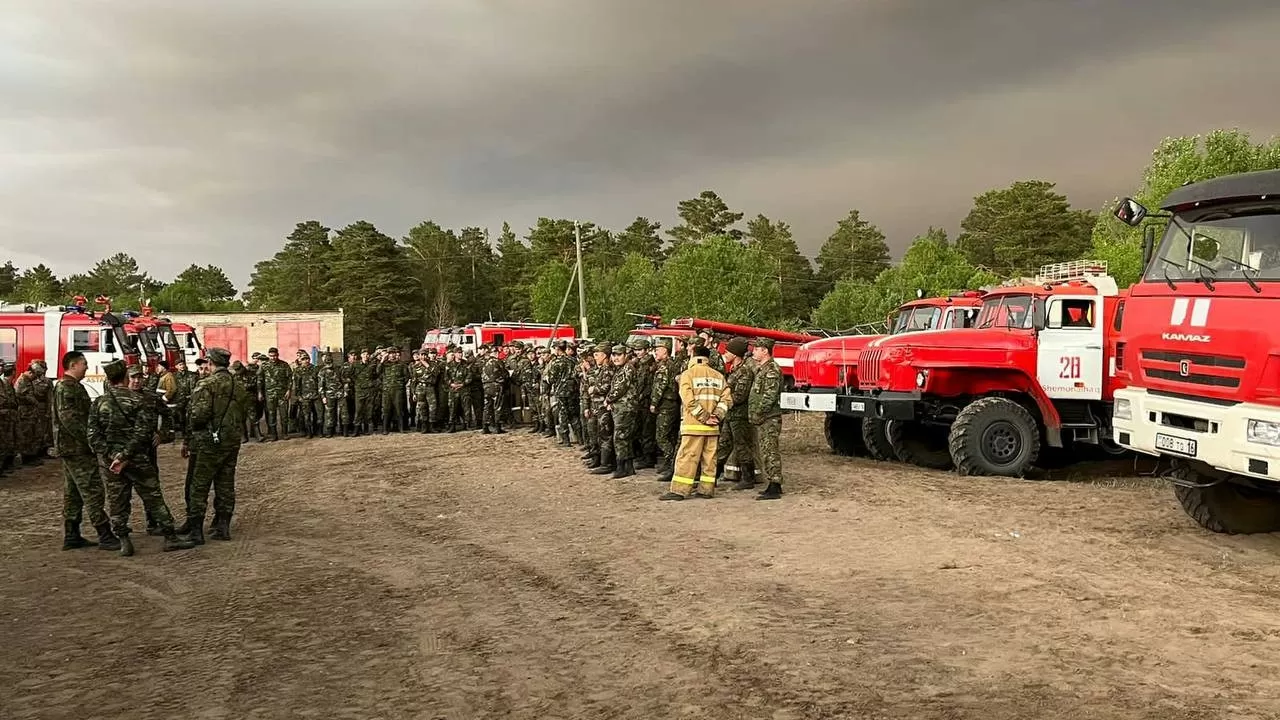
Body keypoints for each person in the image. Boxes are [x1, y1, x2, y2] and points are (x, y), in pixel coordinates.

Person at [88, 360, 195, 556]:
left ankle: (124, 540)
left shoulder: (99, 403)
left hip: (111, 464)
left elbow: (93, 436)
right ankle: (170, 537)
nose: (136, 380)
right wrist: (126, 455)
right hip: (137, 459)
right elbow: (142, 433)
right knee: (153, 497)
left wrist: (114, 456)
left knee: (117, 501)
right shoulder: (137, 402)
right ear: (125, 377)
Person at [52, 351, 119, 550]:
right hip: (77, 449)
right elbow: (70, 420)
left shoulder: (73, 387)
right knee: (92, 490)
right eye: (84, 364)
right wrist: (92, 439)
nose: (87, 368)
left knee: (73, 492)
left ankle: (72, 534)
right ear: (73, 365)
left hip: (73, 449)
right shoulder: (66, 388)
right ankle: (104, 533)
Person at [182, 347, 249, 544]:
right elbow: (244, 412)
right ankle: (223, 527)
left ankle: (196, 531)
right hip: (231, 441)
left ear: (210, 363)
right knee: (225, 484)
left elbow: (198, 416)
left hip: (208, 442)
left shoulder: (206, 384)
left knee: (199, 486)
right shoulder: (238, 385)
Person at [660, 344, 732, 501]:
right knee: (709, 459)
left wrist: (703, 416)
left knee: (687, 457)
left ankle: (679, 490)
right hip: (713, 427)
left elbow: (688, 400)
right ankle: (706, 490)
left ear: (693, 354)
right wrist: (717, 416)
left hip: (694, 425)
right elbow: (726, 399)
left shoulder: (687, 374)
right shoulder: (718, 376)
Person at [748, 337, 785, 500]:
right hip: (764, 417)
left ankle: (775, 485)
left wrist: (759, 412)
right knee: (765, 450)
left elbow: (769, 395)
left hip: (769, 417)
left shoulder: (771, 370)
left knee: (770, 450)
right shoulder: (762, 368)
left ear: (765, 351)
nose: (753, 351)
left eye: (757, 349)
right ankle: (772, 482)